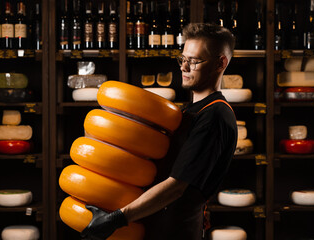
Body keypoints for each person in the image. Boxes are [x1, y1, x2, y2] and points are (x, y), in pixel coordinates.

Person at [81, 23, 238, 240]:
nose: (183, 67)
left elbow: (177, 186)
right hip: (158, 227)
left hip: (177, 232)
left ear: (220, 63)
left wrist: (117, 219)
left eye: (193, 61)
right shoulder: (189, 112)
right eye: (183, 59)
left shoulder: (215, 116)